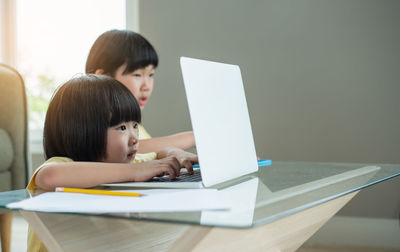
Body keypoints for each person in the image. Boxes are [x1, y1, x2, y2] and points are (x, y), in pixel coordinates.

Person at [27, 75, 197, 251]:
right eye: (122, 128)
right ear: (83, 132)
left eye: (135, 126)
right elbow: (49, 176)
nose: (134, 139)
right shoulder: (64, 163)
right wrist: (135, 172)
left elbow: (158, 155)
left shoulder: (127, 161)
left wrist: (173, 152)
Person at [85, 29, 195, 154]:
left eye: (151, 74)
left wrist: (172, 153)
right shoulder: (92, 122)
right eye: (137, 75)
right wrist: (193, 137)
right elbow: (129, 149)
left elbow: (148, 155)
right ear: (104, 77)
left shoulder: (137, 127)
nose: (146, 86)